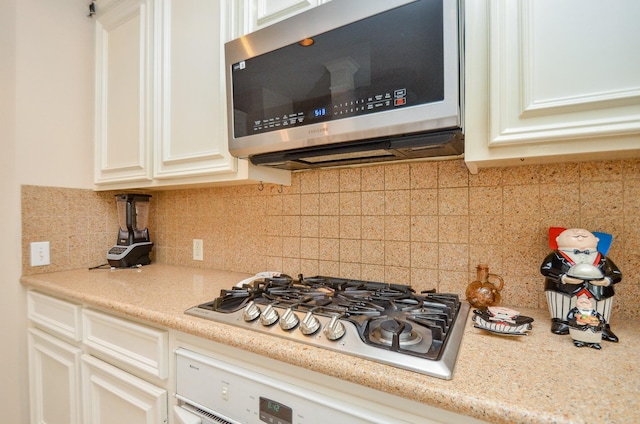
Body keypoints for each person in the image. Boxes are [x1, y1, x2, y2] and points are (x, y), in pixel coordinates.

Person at [540, 228, 622, 342]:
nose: (579, 235)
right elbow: (545, 269)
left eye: (585, 235)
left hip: (598, 292)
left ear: (596, 240)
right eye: (573, 235)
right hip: (564, 291)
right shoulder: (556, 256)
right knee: (563, 308)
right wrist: (563, 278)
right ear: (558, 239)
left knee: (600, 310)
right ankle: (561, 322)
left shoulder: (603, 258)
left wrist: (606, 281)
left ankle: (601, 327)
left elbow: (616, 274)